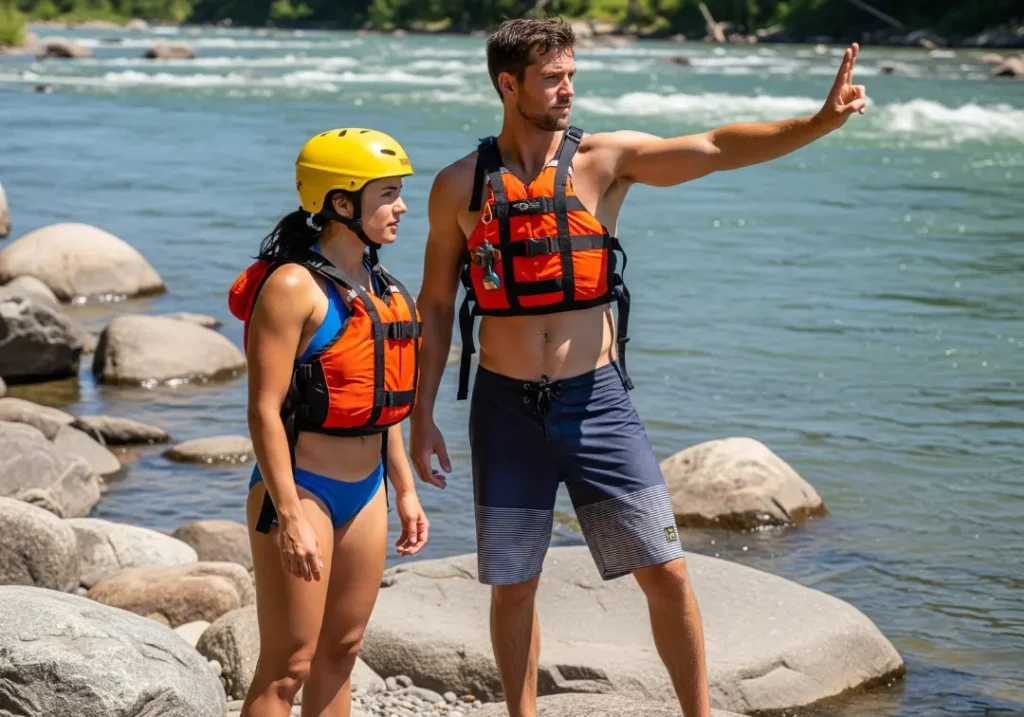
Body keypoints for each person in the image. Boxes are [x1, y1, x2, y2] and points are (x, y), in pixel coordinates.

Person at [409, 16, 868, 717]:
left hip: (596, 403)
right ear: (508, 85)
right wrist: (422, 414)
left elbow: (713, 147)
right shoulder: (459, 187)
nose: (567, 89)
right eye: (551, 77)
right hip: (504, 412)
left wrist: (816, 124)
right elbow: (436, 305)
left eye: (571, 74)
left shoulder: (605, 159)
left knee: (668, 573)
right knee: (513, 584)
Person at [227, 128, 429, 717]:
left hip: (367, 493)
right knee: (289, 664)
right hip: (301, 488)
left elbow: (379, 398)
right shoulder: (293, 286)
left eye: (400, 192)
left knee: (342, 650)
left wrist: (407, 491)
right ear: (341, 203)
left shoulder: (385, 287)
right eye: (387, 194)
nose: (401, 206)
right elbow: (264, 408)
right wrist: (289, 514)